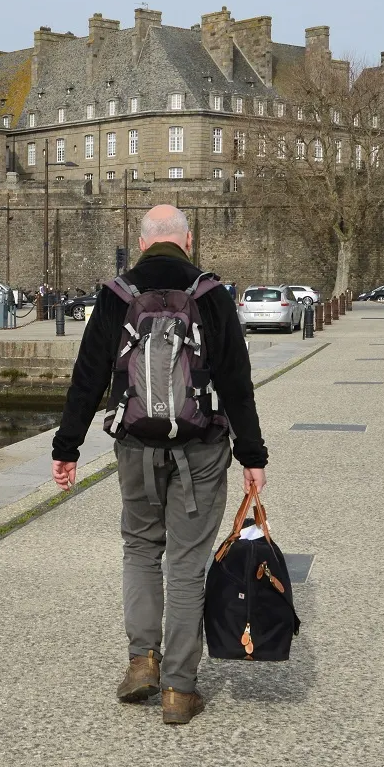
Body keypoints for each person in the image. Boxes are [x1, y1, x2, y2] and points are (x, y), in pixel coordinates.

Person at [51, 205, 266, 727]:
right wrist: (252, 456)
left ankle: (141, 662)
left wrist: (67, 448)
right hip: (203, 448)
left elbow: (88, 376)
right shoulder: (210, 294)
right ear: (187, 242)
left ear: (143, 242)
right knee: (187, 564)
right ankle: (178, 689)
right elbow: (236, 380)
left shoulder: (118, 294)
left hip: (135, 447)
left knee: (141, 551)